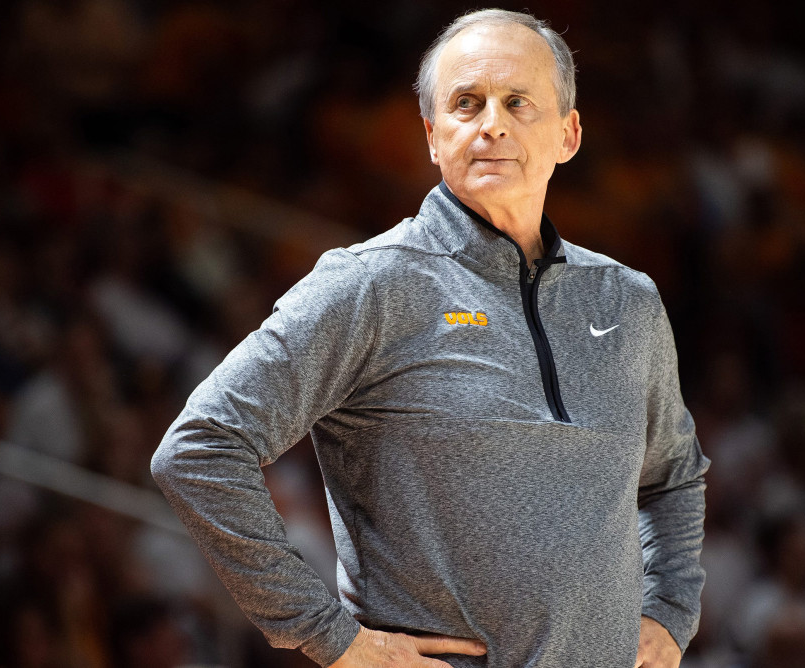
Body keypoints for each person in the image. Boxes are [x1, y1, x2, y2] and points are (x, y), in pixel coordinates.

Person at [151, 9, 709, 668]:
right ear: (432, 136)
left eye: (518, 102)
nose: (491, 123)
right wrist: (330, 636)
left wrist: (670, 612)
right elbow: (199, 447)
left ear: (568, 133)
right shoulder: (371, 285)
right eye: (466, 103)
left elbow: (674, 477)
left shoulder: (628, 299)